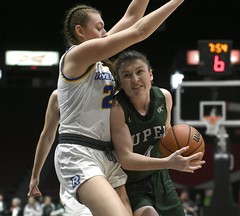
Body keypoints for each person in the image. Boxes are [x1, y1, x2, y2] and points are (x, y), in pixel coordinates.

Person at [30, 0, 188, 215]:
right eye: (99, 27)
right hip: (79, 152)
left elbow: (132, 18)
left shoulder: (100, 61)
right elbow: (139, 30)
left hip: (107, 153)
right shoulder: (75, 56)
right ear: (80, 31)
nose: (106, 32)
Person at [111, 50, 205, 216]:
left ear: (151, 75)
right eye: (127, 75)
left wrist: (183, 152)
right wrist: (169, 162)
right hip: (132, 184)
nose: (135, 80)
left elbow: (167, 138)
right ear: (120, 82)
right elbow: (126, 159)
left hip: (160, 177)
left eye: (140, 72)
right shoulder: (118, 109)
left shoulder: (164, 97)